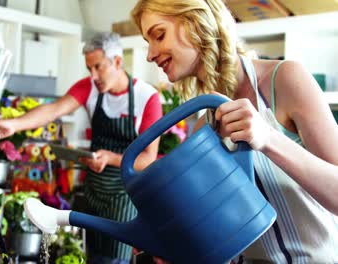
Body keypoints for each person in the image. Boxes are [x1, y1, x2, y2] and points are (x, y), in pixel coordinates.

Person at [131, 0, 338, 263]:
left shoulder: (285, 80)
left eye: (159, 35)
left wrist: (268, 139)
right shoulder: (202, 128)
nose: (150, 54)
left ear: (197, 23)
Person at [0, 32, 163, 263]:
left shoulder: (146, 98)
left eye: (98, 67)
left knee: (113, 260)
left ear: (117, 62)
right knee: (91, 256)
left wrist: (109, 158)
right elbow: (54, 109)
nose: (93, 75)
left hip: (123, 195)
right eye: (89, 68)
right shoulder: (90, 88)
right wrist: (14, 124)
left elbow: (148, 159)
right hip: (93, 190)